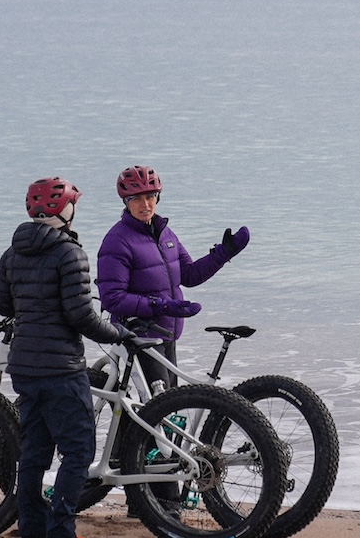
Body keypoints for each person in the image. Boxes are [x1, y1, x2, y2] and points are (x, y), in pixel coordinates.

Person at [0, 176, 133, 538]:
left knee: (34, 453)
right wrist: (118, 332)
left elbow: (1, 305)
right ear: (65, 210)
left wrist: (32, 309)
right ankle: (61, 537)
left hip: (25, 367)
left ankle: (32, 537)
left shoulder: (13, 251)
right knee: (78, 451)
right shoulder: (69, 253)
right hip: (61, 368)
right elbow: (81, 315)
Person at [96, 165, 250, 392]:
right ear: (125, 202)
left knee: (169, 410)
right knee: (157, 413)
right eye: (136, 199)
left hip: (167, 334)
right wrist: (162, 305)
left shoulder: (164, 233)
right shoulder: (117, 241)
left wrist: (223, 254)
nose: (145, 204)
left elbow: (188, 274)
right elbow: (112, 299)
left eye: (150, 196)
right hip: (139, 337)